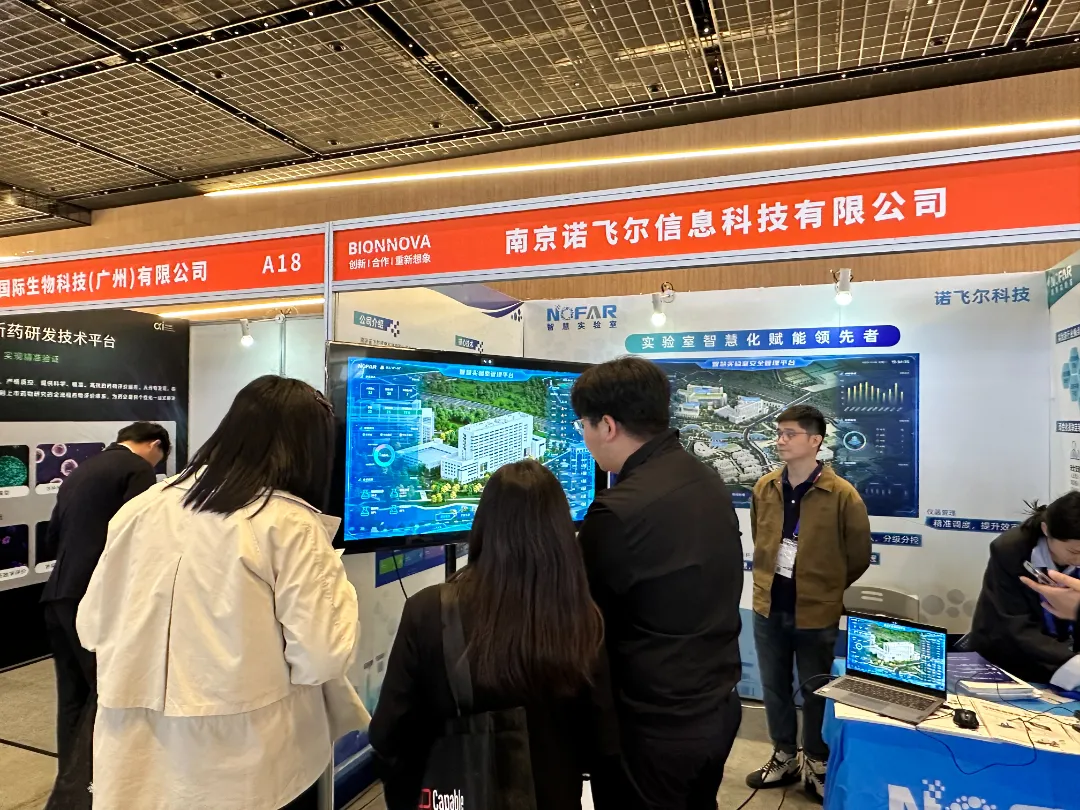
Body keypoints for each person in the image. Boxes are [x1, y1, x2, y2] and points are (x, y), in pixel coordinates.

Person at [76, 377, 365, 810]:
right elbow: (323, 655)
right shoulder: (288, 524)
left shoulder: (144, 506)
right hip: (248, 763)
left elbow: (92, 625)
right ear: (310, 449)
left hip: (137, 758)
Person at [369, 459, 616, 809]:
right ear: (560, 533)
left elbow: (389, 735)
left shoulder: (427, 611)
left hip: (455, 795)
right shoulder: (582, 619)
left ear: (484, 523)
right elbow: (601, 742)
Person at [572, 356, 744, 810]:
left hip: (652, 728)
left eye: (583, 426)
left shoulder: (618, 512)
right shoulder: (705, 478)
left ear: (608, 425)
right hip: (715, 708)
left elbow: (583, 624)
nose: (584, 437)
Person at [746, 404, 871, 801]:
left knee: (816, 688)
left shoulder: (842, 494)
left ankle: (816, 760)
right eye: (779, 433)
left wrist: (826, 588)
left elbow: (858, 555)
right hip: (769, 605)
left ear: (815, 440)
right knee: (774, 685)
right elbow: (761, 539)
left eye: (790, 434)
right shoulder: (765, 487)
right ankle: (784, 755)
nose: (780, 440)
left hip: (816, 611)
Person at [40, 421, 170, 776]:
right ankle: (104, 779)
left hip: (59, 594)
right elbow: (140, 535)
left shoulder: (81, 470)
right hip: (97, 599)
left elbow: (53, 536)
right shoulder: (137, 469)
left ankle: (72, 780)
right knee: (107, 691)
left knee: (71, 695)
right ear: (154, 445)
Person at [969, 493, 1080, 691]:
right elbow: (1013, 624)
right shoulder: (1010, 549)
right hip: (1012, 658)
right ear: (1046, 530)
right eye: (1074, 552)